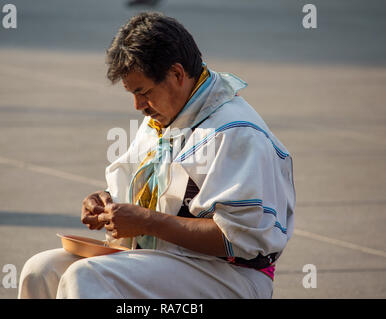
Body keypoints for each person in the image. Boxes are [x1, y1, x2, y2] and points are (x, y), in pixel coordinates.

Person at [18, 12, 295, 299]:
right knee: (41, 269)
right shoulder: (165, 117)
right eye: (132, 94)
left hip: (229, 276)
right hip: (164, 261)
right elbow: (146, 197)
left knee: (86, 276)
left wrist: (148, 222)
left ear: (177, 74)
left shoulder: (234, 131)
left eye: (143, 92)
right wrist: (106, 204)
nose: (138, 105)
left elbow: (240, 239)